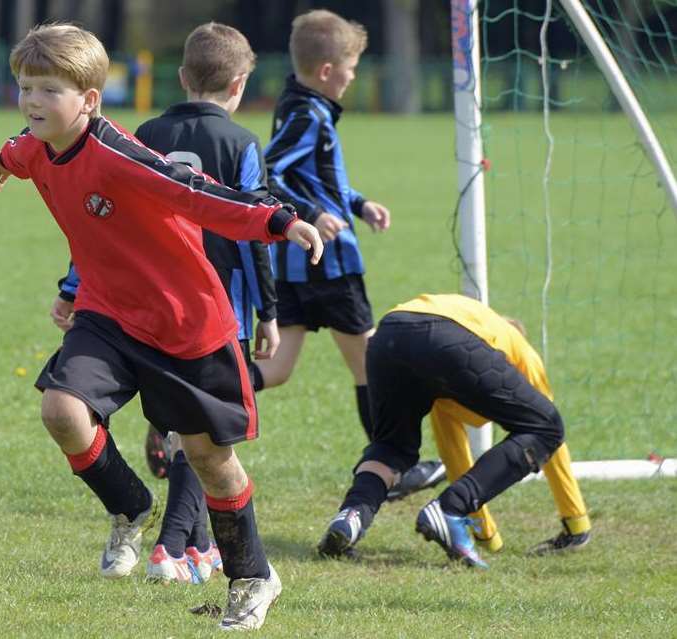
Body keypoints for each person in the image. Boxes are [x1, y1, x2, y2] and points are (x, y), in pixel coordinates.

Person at [0, 23, 323, 631]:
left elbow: (199, 193)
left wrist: (279, 221)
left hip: (188, 326)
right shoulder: (36, 145)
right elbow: (21, 152)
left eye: (50, 90)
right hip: (107, 314)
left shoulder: (118, 155)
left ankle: (253, 575)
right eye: (26, 87)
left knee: (211, 460)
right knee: (61, 411)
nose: (32, 101)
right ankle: (131, 509)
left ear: (89, 101)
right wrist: (1, 159)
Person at [52, 22, 279, 586]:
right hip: (210, 307)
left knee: (191, 437)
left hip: (148, 303)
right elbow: (247, 227)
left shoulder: (145, 129)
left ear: (180, 78)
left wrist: (71, 287)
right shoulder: (242, 143)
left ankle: (191, 544)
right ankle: (176, 545)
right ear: (240, 83)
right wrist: (269, 310)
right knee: (196, 438)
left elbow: (96, 220)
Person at [254, 9, 444, 500]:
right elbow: (266, 175)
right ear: (326, 71)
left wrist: (358, 204)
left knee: (276, 370)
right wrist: (314, 214)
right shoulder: (307, 114)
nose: (355, 76)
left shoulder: (298, 105)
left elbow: (314, 177)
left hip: (293, 264)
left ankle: (190, 404)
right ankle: (393, 466)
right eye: (352, 67)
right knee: (373, 365)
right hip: (329, 265)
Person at [316, 293, 586, 567]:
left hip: (388, 335)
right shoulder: (518, 349)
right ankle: (449, 510)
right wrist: (577, 522)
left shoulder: (466, 348)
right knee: (547, 427)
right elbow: (549, 432)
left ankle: (351, 516)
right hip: (445, 338)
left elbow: (454, 452)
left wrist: (487, 536)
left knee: (391, 446)